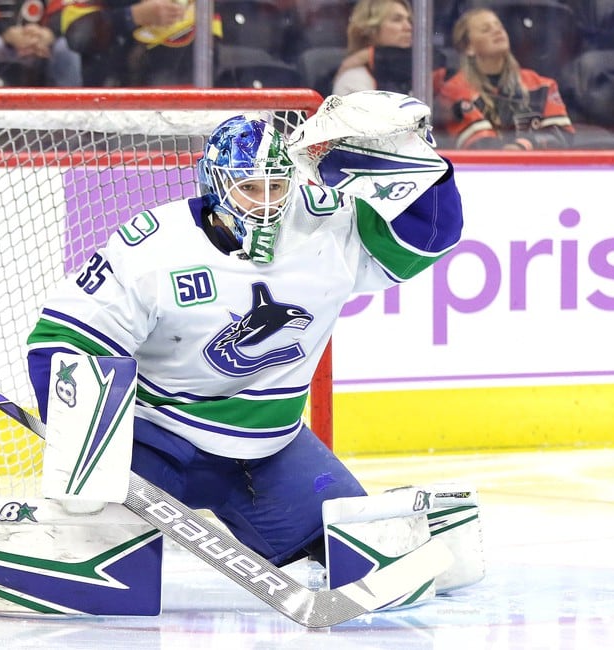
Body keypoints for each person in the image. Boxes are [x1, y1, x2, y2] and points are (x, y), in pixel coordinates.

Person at [26, 91, 464, 572]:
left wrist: (418, 161)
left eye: (277, 187)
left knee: (367, 560)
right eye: (249, 188)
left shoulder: (324, 224)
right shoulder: (154, 245)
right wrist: (87, 459)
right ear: (215, 185)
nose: (266, 204)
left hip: (270, 449)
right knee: (97, 564)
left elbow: (429, 237)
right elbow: (65, 340)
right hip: (153, 443)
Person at [435, 7, 575, 150]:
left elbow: (562, 136)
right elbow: (480, 145)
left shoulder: (542, 85)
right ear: (468, 47)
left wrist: (523, 145)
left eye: (499, 26)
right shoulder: (455, 90)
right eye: (485, 29)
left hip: (540, 170)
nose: (497, 31)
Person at [57, 0, 204, 87]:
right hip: (118, 103)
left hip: (190, 97)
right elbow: (80, 37)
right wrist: (133, 15)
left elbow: (224, 33)